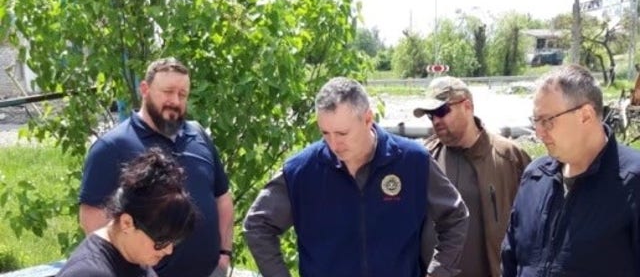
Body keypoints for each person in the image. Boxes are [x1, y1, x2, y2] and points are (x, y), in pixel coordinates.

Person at [243, 77, 469, 277]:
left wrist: (439, 272)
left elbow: (456, 216)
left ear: (368, 119)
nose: (333, 144)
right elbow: (257, 226)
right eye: (325, 133)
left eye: (342, 133)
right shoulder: (301, 171)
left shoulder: (412, 161)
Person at [78, 57, 234, 277]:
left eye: (182, 94)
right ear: (145, 89)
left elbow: (223, 198)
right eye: (168, 91)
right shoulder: (112, 147)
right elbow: (93, 219)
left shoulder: (198, 135)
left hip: (211, 272)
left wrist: (223, 255)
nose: (175, 101)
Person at [501, 64, 640, 276]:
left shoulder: (633, 182)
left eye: (547, 121)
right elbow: (511, 260)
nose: (539, 133)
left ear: (585, 115)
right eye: (536, 121)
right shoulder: (535, 177)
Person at [413, 76, 531, 277]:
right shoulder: (425, 158)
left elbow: (532, 222)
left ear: (467, 106)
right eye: (431, 115)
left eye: (442, 111)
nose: (436, 121)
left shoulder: (509, 158)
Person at [58, 148, 198, 277]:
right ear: (127, 223)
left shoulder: (134, 257)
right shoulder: (87, 273)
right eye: (161, 241)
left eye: (174, 241)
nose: (168, 250)